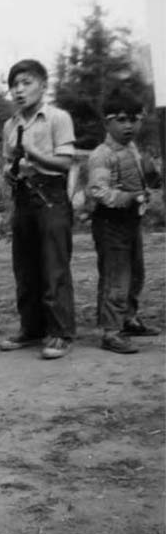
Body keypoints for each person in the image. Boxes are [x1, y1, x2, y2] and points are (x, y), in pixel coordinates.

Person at [0, 59, 76, 360]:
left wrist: (34, 154)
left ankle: (60, 332)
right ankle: (31, 329)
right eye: (14, 85)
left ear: (43, 85)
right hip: (23, 198)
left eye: (26, 83)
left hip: (51, 197)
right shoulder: (10, 125)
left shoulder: (58, 118)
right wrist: (9, 171)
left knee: (54, 266)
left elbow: (66, 162)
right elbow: (8, 161)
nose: (19, 90)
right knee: (25, 267)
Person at [86, 89, 162, 354]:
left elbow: (144, 179)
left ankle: (128, 319)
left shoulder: (132, 149)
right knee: (116, 277)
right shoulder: (102, 154)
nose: (128, 125)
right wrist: (129, 197)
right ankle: (110, 331)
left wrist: (151, 176)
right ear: (106, 123)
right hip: (110, 223)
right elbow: (98, 191)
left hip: (131, 222)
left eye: (134, 119)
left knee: (136, 273)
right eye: (120, 119)